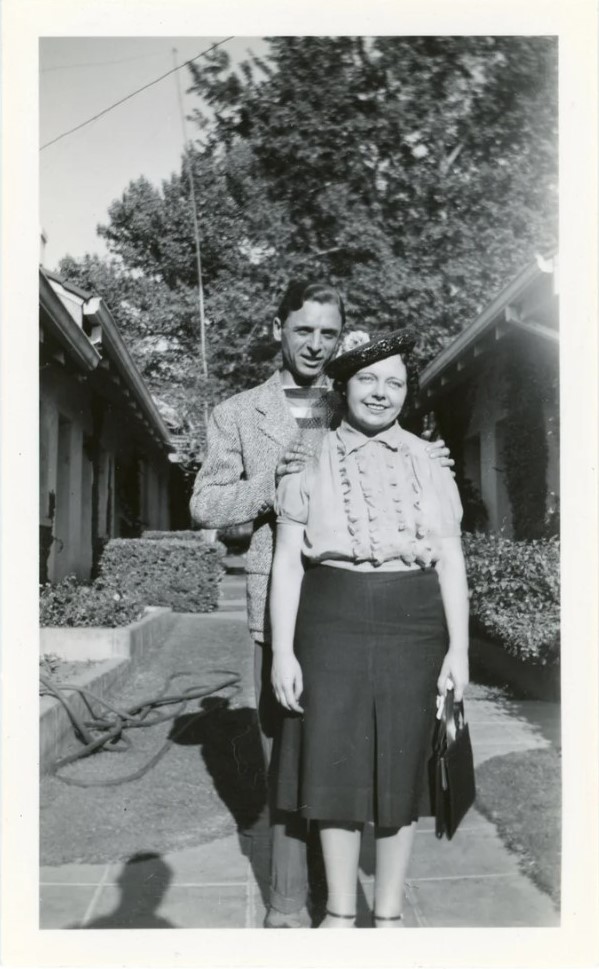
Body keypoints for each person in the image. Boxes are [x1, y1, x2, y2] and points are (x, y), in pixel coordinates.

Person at [190, 285, 453, 928]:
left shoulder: (353, 393)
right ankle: (287, 905)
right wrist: (272, 481)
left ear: (342, 340)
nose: (315, 345)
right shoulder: (238, 413)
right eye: (303, 331)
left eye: (328, 334)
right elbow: (204, 505)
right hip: (280, 606)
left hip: (361, 607)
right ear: (278, 328)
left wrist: (432, 459)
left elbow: (394, 458)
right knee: (291, 759)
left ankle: (344, 900)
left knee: (352, 760)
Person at [269, 328, 469, 928]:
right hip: (330, 620)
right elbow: (286, 563)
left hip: (415, 621)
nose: (382, 394)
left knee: (401, 766)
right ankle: (337, 911)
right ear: (344, 386)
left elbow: (451, 558)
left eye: (396, 383)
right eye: (368, 380)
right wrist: (283, 650)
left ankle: (388, 916)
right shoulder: (307, 459)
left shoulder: (431, 463)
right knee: (335, 764)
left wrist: (459, 649)